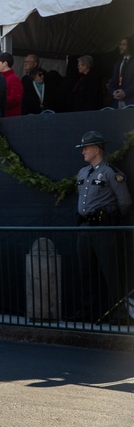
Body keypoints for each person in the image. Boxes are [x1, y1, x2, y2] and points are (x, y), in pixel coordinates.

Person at [74, 131, 133, 324]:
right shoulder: (83, 172)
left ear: (97, 149)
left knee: (112, 273)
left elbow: (124, 202)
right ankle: (88, 312)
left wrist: (109, 218)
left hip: (103, 229)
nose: (83, 151)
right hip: (84, 228)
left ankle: (119, 315)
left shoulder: (110, 173)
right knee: (86, 272)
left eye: (86, 148)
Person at [109, 36, 134, 109]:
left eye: (124, 44)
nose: (120, 46)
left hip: (131, 101)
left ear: (130, 45)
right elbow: (113, 82)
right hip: (117, 103)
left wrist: (125, 92)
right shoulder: (118, 64)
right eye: (120, 44)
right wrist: (113, 92)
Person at [0, 52, 23, 117]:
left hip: (11, 117)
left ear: (5, 63)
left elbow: (15, 99)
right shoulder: (1, 78)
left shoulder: (14, 79)